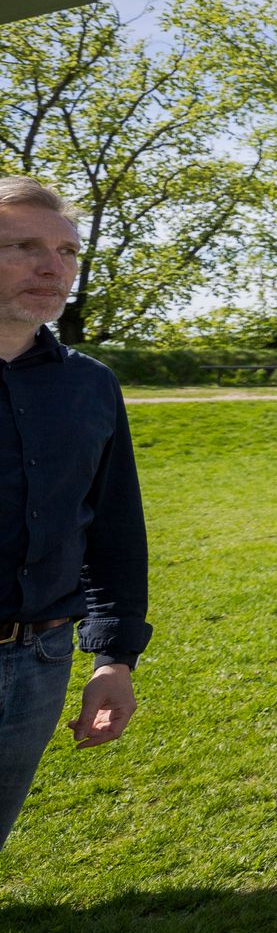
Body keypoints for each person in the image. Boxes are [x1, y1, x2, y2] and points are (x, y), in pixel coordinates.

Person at [0, 176, 150, 849]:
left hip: (41, 659)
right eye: (22, 246)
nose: (51, 266)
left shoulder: (90, 384)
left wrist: (112, 656)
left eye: (66, 251)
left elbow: (114, 530)